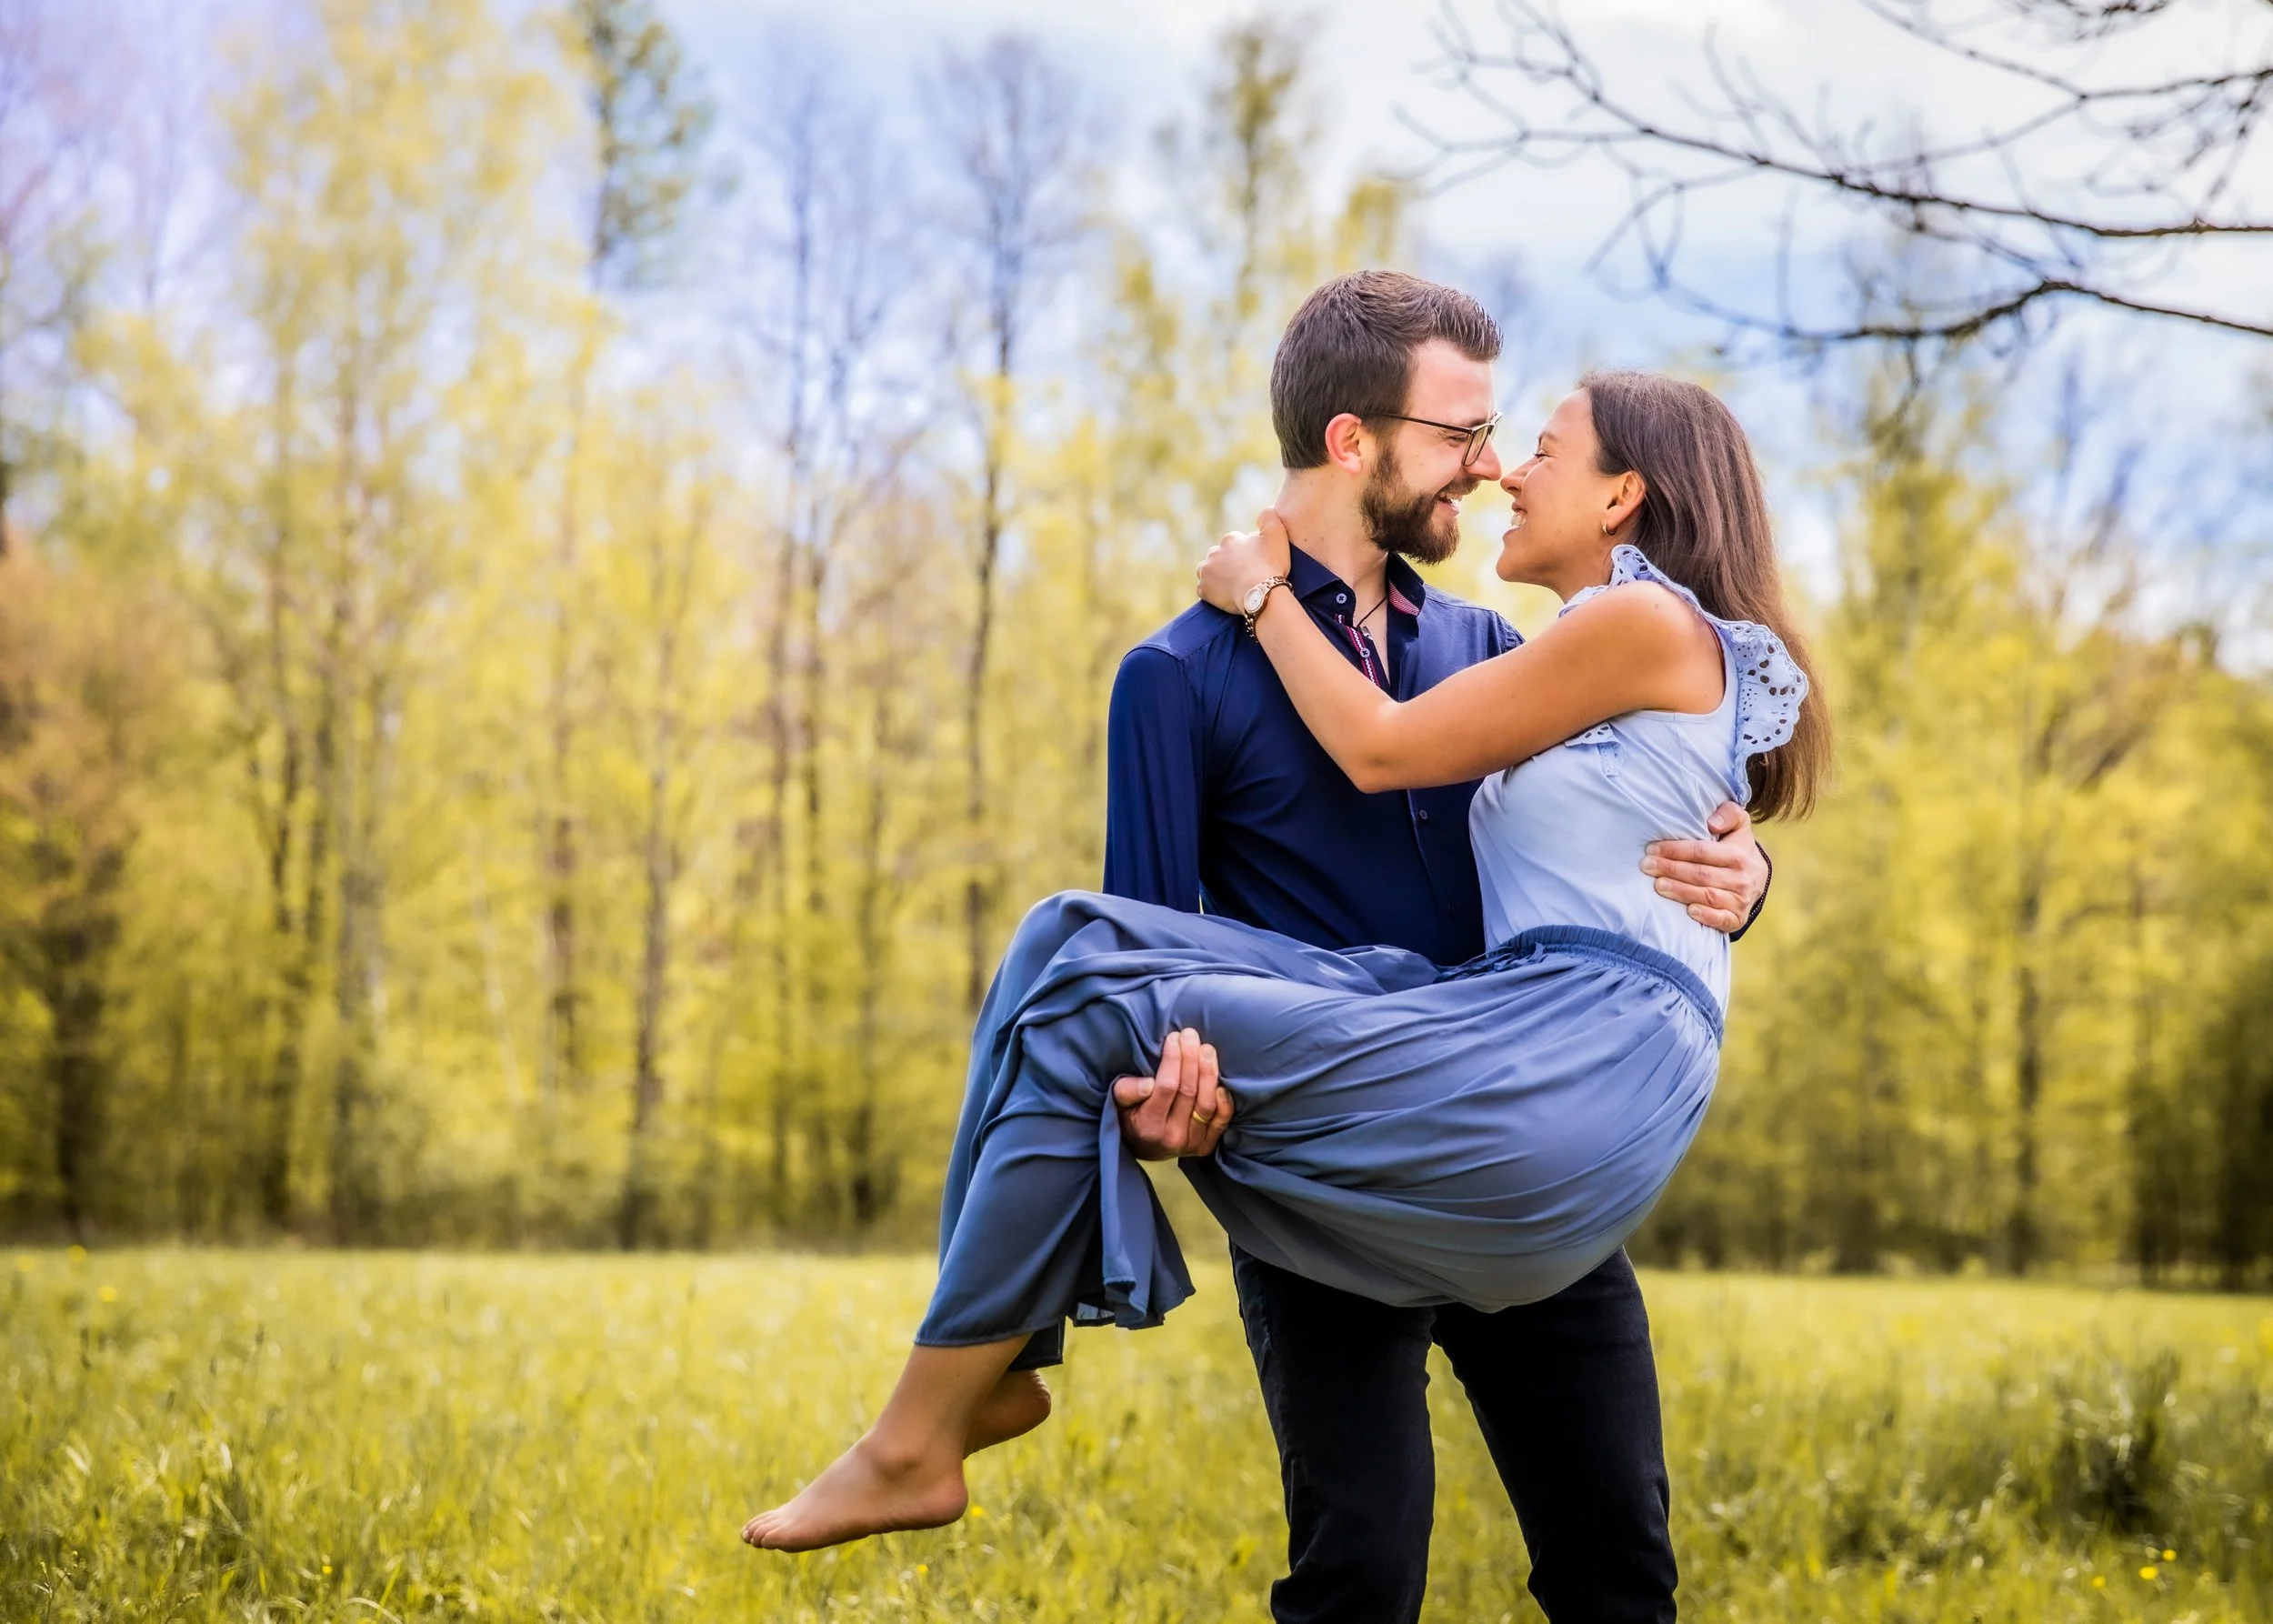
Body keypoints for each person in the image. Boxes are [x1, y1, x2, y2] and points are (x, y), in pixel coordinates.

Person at [743, 277, 1827, 1624]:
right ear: (1353, 441)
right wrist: (1162, 1108)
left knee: (1616, 1558)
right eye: (1463, 434)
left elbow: (1634, 811)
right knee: (1360, 1566)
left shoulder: (1495, 645)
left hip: (1507, 1093)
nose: (1489, 466)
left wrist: (1744, 870)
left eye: (1510, 439)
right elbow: (1155, 952)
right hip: (1322, 1140)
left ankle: (950, 1398)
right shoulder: (1179, 675)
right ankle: (965, 1389)